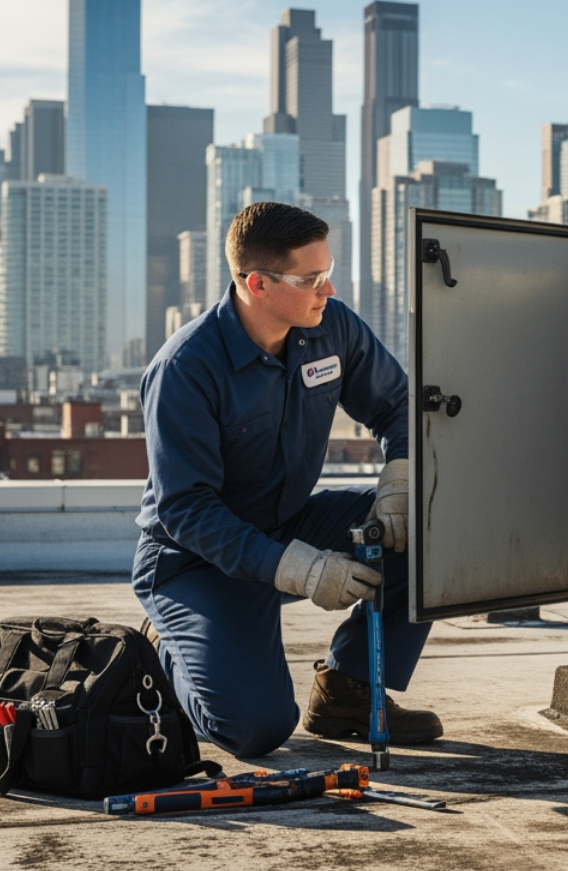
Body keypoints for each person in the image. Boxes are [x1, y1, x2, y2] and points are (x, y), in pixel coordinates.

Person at [132, 201, 439, 758]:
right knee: (256, 729)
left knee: (428, 525)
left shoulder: (332, 328)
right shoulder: (185, 369)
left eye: (328, 272)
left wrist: (399, 480)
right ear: (258, 284)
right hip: (195, 562)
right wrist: (300, 569)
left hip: (290, 523)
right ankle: (164, 649)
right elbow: (187, 510)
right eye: (311, 279)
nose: (328, 289)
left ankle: (348, 690)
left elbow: (399, 405)